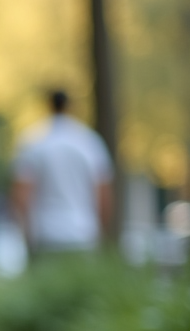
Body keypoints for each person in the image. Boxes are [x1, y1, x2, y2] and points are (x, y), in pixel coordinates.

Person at [12, 90, 114, 253]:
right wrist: (101, 232)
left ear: (48, 105)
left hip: (45, 233)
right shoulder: (90, 142)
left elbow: (22, 195)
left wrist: (26, 234)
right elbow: (103, 194)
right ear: (70, 107)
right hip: (83, 232)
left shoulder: (32, 142)